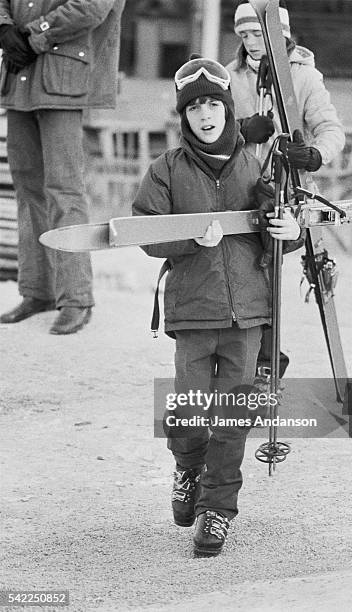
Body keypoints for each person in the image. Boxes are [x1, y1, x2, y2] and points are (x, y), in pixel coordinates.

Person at [132, 57, 303, 557]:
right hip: (192, 311)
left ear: (228, 109)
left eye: (213, 104)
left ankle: (216, 511)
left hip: (249, 313)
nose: (204, 115)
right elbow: (146, 234)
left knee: (233, 417)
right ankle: (188, 470)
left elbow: (282, 228)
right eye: (194, 107)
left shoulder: (258, 164)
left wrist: (290, 232)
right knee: (189, 412)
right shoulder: (165, 169)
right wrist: (190, 238)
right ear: (183, 115)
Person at [226, 0, 346, 382]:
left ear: (280, 35)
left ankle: (267, 361)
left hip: (286, 189)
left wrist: (314, 154)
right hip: (238, 187)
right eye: (244, 35)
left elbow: (332, 130)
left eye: (259, 34)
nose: (250, 42)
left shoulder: (306, 77)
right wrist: (243, 129)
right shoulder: (230, 75)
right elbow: (208, 128)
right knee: (240, 276)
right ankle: (260, 360)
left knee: (272, 271)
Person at [0, 0, 125, 334]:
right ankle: (38, 291)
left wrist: (30, 35)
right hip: (20, 77)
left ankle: (76, 298)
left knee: (64, 191)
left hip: (64, 79)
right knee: (27, 191)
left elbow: (91, 8)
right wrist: (3, 27)